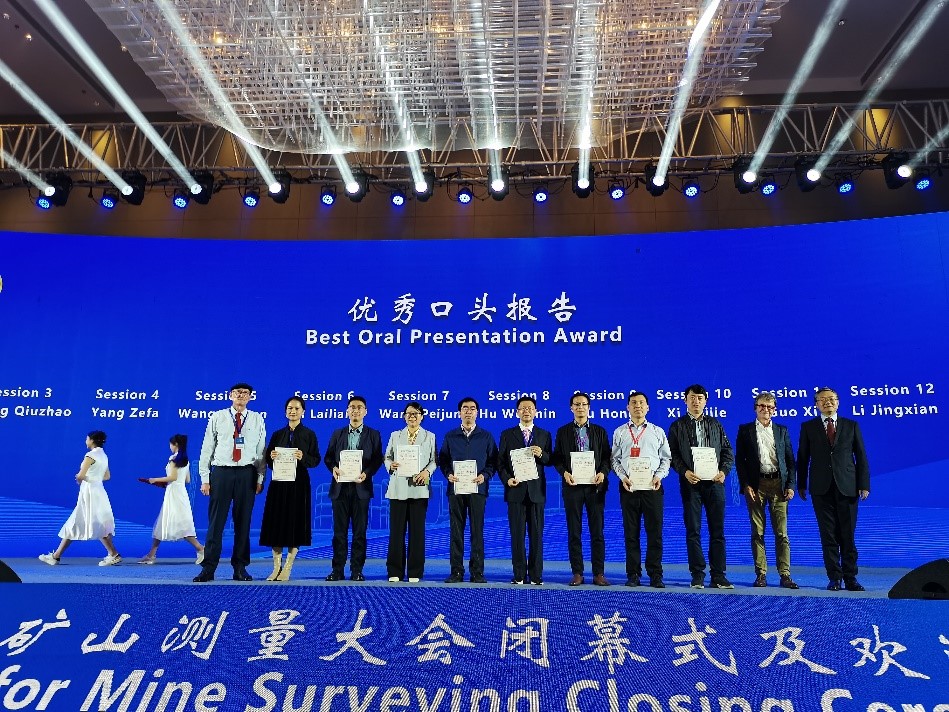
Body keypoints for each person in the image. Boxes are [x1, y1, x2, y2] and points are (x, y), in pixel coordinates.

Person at [797, 387, 870, 592]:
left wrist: (864, 484)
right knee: (828, 535)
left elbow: (861, 456)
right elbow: (802, 457)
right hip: (820, 488)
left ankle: (851, 578)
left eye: (831, 399)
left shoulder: (851, 425)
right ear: (816, 404)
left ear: (838, 402)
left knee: (847, 535)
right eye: (822, 400)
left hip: (848, 487)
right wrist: (801, 484)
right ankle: (834, 578)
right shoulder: (808, 427)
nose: (827, 402)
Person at [195, 382, 266, 582]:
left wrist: (260, 478)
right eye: (237, 392)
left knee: (243, 523)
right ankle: (208, 568)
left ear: (250, 397)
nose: (241, 395)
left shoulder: (257, 418)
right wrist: (205, 478)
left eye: (245, 393)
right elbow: (207, 449)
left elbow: (261, 451)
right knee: (216, 523)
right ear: (230, 395)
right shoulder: (217, 417)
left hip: (247, 473)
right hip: (222, 473)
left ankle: (240, 568)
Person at [668, 384, 735, 589]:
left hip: (715, 484)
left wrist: (723, 471)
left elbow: (727, 451)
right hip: (691, 484)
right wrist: (685, 472)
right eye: (692, 397)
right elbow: (672, 455)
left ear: (706, 401)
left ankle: (718, 575)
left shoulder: (715, 424)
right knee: (693, 530)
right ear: (685, 400)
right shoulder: (677, 426)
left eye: (699, 398)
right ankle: (697, 574)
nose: (696, 401)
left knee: (717, 531)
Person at [735, 393, 799, 589]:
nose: (765, 410)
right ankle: (761, 574)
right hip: (756, 486)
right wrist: (746, 485)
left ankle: (785, 575)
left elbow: (790, 461)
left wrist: (791, 485)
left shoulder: (782, 430)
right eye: (761, 406)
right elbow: (740, 462)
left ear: (775, 410)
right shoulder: (745, 430)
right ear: (755, 408)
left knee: (782, 533)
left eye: (769, 407)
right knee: (758, 532)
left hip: (779, 485)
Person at [611, 392, 671, 588]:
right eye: (633, 403)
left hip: (652, 487)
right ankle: (633, 574)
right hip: (629, 488)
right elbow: (615, 460)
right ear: (628, 407)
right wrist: (623, 477)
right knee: (631, 533)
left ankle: (655, 574)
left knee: (655, 533)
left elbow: (666, 459)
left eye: (641, 403)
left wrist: (659, 476)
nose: (638, 406)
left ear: (648, 408)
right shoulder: (620, 432)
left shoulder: (657, 432)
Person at [553, 392, 611, 586]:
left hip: (595, 487)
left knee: (597, 531)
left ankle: (599, 573)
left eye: (584, 404)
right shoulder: (563, 432)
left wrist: (603, 472)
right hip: (572, 486)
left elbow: (607, 457)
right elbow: (557, 458)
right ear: (571, 408)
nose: (580, 407)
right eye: (576, 404)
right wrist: (564, 473)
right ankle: (577, 572)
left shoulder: (599, 431)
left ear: (589, 407)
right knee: (574, 531)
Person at [39, 430, 122, 566]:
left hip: (89, 493)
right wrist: (93, 479)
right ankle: (56, 556)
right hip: (98, 491)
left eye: (87, 439)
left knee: (97, 522)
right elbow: (107, 476)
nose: (85, 441)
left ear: (92, 440)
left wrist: (79, 478)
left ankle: (113, 554)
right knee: (75, 523)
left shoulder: (90, 455)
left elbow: (81, 475)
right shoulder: (103, 456)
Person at [261, 396, 321, 581]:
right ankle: (276, 567)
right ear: (285, 411)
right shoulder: (277, 434)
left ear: (303, 412)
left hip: (299, 484)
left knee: (295, 523)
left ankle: (288, 567)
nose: (292, 411)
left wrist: (303, 457)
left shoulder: (309, 434)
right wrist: (271, 456)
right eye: (289, 408)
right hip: (279, 483)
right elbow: (268, 460)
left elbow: (315, 460)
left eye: (296, 408)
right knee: (276, 522)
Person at [324, 395, 383, 581]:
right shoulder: (337, 434)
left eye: (359, 407)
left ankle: (357, 570)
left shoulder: (373, 434)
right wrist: (333, 468)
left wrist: (367, 473)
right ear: (347, 411)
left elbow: (377, 459)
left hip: (361, 488)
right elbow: (328, 457)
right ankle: (337, 570)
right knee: (339, 533)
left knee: (359, 533)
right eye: (352, 407)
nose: (355, 410)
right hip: (340, 489)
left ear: (365, 412)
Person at [439, 397, 498, 583]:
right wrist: (448, 474)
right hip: (456, 489)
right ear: (459, 413)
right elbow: (443, 460)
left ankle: (477, 572)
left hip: (477, 489)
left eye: (472, 408)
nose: (469, 411)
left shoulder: (486, 436)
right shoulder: (450, 436)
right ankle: (456, 571)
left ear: (477, 413)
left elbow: (493, 462)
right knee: (456, 531)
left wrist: (485, 475)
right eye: (465, 408)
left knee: (476, 531)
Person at [499, 396, 551, 585]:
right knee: (517, 535)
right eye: (522, 408)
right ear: (517, 412)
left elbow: (550, 460)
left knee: (537, 535)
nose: (526, 411)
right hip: (516, 491)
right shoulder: (507, 434)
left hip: (536, 492)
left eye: (530, 408)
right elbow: (500, 463)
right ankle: (519, 574)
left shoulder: (544, 434)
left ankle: (536, 575)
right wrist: (507, 479)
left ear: (536, 411)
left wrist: (542, 454)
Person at [383, 402, 436, 582]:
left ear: (422, 416)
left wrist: (427, 472)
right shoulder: (395, 435)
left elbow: (434, 461)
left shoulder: (430, 436)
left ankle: (415, 571)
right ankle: (394, 571)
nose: (412, 416)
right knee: (396, 532)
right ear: (404, 416)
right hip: (398, 489)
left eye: (416, 414)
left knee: (417, 533)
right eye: (409, 414)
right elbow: (387, 457)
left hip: (419, 489)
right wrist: (390, 465)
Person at [138, 434, 205, 564]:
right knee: (163, 522)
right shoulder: (185, 460)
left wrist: (155, 480)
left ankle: (200, 549)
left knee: (181, 524)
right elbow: (187, 480)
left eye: (171, 444)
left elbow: (173, 477)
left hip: (174, 494)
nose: (169, 446)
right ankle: (151, 554)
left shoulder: (174, 459)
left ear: (175, 444)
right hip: (180, 492)